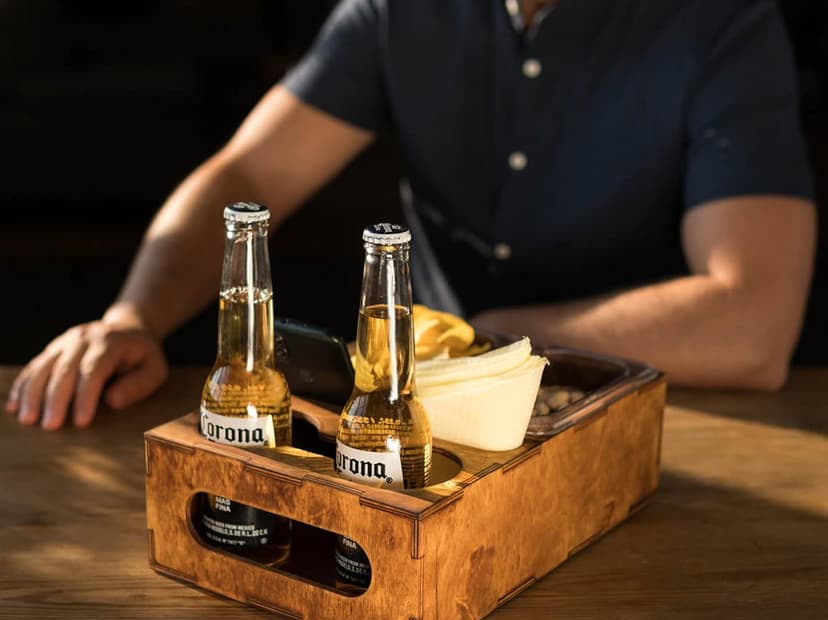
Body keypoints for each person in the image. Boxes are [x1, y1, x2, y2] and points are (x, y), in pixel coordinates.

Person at [6, 0, 817, 430]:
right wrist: (132, 317)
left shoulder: (722, 21)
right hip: (420, 421)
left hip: (639, 426)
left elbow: (754, 325)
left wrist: (495, 337)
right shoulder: (394, 10)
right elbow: (248, 174)